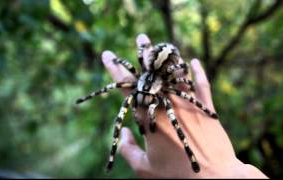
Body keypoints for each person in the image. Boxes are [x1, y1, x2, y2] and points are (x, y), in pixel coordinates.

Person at [101, 34, 268, 178]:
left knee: (172, 117)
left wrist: (203, 108)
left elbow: (182, 74)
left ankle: (190, 153)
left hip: (164, 62)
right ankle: (111, 155)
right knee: (120, 107)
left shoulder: (168, 85)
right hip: (158, 64)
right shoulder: (140, 79)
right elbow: (121, 69)